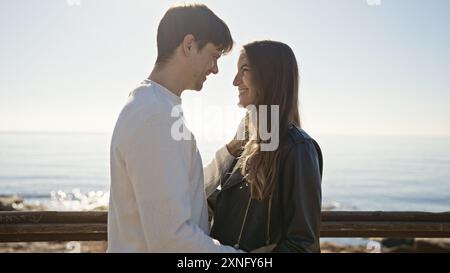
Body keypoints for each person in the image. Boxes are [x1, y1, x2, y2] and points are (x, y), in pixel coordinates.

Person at [107, 4, 242, 253]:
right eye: (214, 55)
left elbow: (178, 192)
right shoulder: (154, 115)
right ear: (189, 45)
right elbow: (172, 241)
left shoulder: (152, 104)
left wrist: (229, 152)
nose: (215, 69)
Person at [206, 40, 323, 253]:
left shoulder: (298, 149)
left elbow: (303, 246)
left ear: (269, 77)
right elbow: (222, 202)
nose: (235, 81)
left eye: (245, 70)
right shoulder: (245, 141)